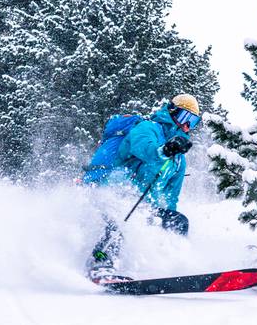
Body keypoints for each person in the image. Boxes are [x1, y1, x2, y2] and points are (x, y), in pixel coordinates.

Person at [83, 94, 202, 281]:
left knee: (178, 221)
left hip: (144, 204)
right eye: (184, 117)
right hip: (115, 191)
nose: (187, 126)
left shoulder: (179, 160)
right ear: (172, 112)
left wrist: (167, 218)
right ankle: (99, 262)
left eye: (193, 121)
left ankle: (175, 267)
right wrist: (165, 150)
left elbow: (171, 196)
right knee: (118, 221)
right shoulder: (148, 128)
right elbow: (144, 148)